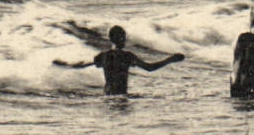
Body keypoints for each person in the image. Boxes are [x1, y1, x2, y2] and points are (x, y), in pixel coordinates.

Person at [55, 25, 184, 96]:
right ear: (116, 39)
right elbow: (149, 68)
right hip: (121, 97)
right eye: (122, 38)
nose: (124, 40)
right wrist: (170, 60)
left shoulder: (103, 56)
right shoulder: (127, 56)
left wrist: (65, 65)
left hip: (107, 97)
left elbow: (83, 65)